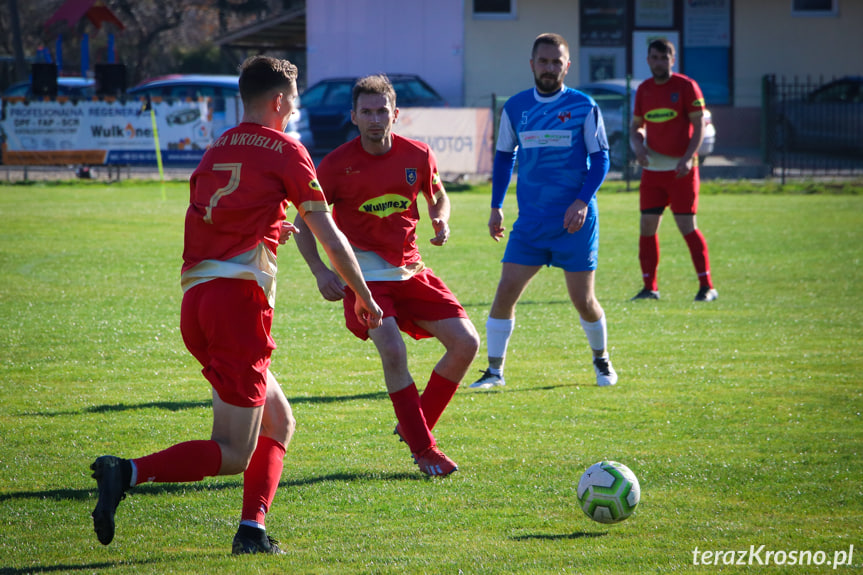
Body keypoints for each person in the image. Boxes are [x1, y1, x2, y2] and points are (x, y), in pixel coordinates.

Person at [89, 55, 382, 555]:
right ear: (277, 101)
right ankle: (128, 472)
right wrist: (363, 293)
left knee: (280, 421)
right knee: (231, 452)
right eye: (292, 101)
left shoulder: (216, 148)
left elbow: (222, 216)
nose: (293, 110)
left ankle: (252, 532)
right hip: (238, 307)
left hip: (198, 302)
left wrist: (272, 229)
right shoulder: (288, 149)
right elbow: (328, 233)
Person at [293, 74, 479, 478]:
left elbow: (439, 192)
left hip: (412, 270)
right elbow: (303, 222)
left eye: (382, 111)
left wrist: (439, 216)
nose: (375, 119)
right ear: (354, 117)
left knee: (466, 343)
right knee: (394, 351)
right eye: (367, 112)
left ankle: (413, 425)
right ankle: (424, 450)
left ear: (395, 114)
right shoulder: (336, 165)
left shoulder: (417, 154)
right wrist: (320, 271)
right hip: (365, 277)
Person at [470, 33, 617, 390]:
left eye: (557, 62)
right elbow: (505, 157)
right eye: (544, 61)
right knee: (505, 291)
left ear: (567, 65)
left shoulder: (584, 106)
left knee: (583, 301)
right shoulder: (516, 108)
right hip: (532, 222)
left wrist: (582, 201)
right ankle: (494, 371)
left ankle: (602, 361)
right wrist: (496, 206)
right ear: (532, 64)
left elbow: (601, 159)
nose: (550, 68)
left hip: (574, 222)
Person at [629, 38, 718, 303]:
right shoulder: (643, 90)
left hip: (681, 171)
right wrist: (638, 146)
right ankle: (649, 288)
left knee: (687, 227)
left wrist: (689, 157)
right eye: (654, 58)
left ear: (672, 59)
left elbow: (699, 125)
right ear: (648, 60)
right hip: (653, 171)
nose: (659, 62)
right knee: (647, 227)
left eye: (664, 58)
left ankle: (707, 287)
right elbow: (636, 128)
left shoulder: (686, 86)